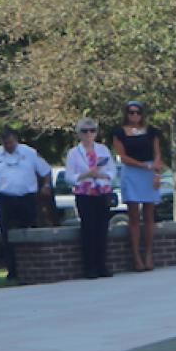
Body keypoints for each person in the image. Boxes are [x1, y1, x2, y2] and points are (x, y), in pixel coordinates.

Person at [0, 127, 52, 282]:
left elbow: (45, 171)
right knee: (7, 235)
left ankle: (35, 267)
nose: (9, 146)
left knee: (30, 232)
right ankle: (12, 271)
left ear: (16, 139)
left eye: (11, 142)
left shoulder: (29, 153)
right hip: (6, 199)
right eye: (6, 143)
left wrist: (46, 186)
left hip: (27, 198)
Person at [112, 100, 164, 271]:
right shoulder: (119, 133)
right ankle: (136, 257)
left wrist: (156, 173)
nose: (134, 115)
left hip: (150, 172)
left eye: (138, 112)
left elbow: (157, 154)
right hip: (132, 172)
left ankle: (149, 254)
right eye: (131, 112)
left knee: (149, 215)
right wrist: (143, 166)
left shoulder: (152, 131)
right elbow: (123, 156)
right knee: (134, 216)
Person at [65, 118, 117, 279]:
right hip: (84, 193)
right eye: (85, 131)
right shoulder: (74, 153)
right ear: (79, 134)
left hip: (102, 192)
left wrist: (101, 175)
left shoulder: (103, 150)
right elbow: (69, 177)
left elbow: (112, 171)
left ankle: (102, 265)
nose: (89, 134)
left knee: (102, 229)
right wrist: (86, 174)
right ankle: (90, 267)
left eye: (92, 130)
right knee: (88, 230)